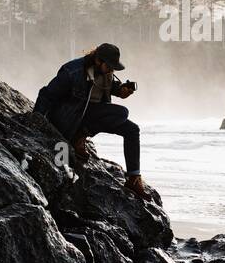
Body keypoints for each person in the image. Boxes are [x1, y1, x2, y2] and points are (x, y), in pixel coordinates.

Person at [33, 42, 152, 199]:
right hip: (70, 119)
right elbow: (47, 95)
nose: (111, 70)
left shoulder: (106, 72)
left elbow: (108, 88)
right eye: (109, 66)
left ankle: (133, 178)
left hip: (92, 116)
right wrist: (36, 120)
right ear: (98, 60)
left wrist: (121, 91)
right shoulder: (72, 71)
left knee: (132, 130)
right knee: (122, 112)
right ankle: (79, 135)